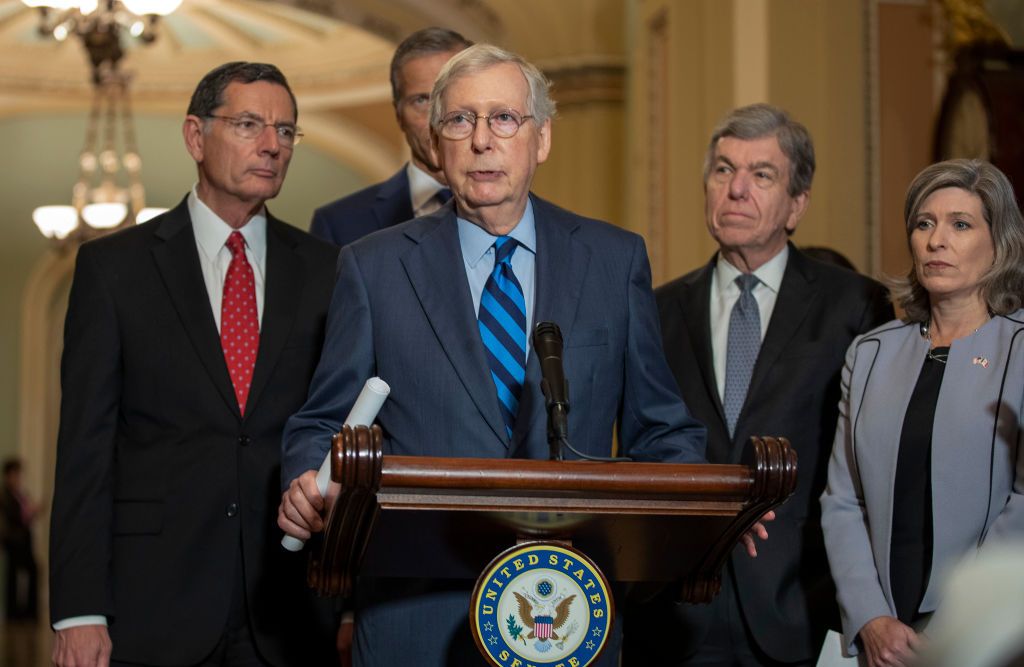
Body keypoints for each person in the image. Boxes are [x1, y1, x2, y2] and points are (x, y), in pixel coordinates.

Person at [279, 43, 712, 666]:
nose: (483, 140)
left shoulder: (614, 261)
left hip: (566, 610)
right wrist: (304, 478)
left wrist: (708, 512)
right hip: (417, 617)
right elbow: (323, 422)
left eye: (504, 119)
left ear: (541, 140)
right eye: (460, 121)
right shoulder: (373, 267)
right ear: (437, 144)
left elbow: (663, 429)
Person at [48, 62, 339, 667]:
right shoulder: (114, 270)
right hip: (152, 603)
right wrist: (79, 610)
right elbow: (85, 451)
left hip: (289, 608)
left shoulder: (328, 271)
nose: (271, 145)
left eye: (286, 132)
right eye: (250, 124)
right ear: (194, 136)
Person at [628, 103, 894, 666]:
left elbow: (873, 471)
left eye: (761, 174)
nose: (737, 189)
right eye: (723, 171)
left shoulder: (856, 306)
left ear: (797, 204)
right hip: (675, 611)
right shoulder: (655, 309)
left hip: (800, 607)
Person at [820, 158, 1024, 667]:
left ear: (998, 242)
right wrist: (869, 618)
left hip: (990, 631)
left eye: (961, 224)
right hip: (880, 635)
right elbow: (842, 499)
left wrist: (960, 622)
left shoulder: (1020, 349)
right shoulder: (870, 353)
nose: (937, 241)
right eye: (924, 223)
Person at [309, 27, 472, 247]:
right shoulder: (339, 225)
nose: (438, 119)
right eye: (422, 101)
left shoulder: (521, 210)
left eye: (452, 95)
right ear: (399, 115)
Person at [1, 458, 39, 623]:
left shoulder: (20, 494)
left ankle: (26, 611)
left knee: (30, 572)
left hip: (24, 541)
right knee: (13, 576)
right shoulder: (5, 495)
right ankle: (14, 612)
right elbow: (11, 518)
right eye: (15, 474)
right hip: (14, 542)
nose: (18, 478)